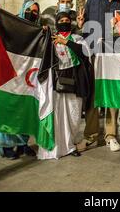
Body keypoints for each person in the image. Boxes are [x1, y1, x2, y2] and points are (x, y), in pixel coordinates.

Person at [76, 0, 120, 153]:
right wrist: (80, 25)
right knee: (92, 95)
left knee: (111, 96)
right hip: (94, 55)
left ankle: (110, 135)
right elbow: (85, 28)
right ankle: (90, 136)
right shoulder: (93, 0)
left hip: (114, 56)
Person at [0, 0, 40, 159]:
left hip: (27, 76)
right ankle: (5, 146)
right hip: (9, 75)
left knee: (24, 109)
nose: (32, 14)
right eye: (29, 10)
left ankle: (22, 143)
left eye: (35, 12)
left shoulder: (37, 31)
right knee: (6, 108)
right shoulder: (13, 26)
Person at [38, 12, 92, 159]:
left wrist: (66, 42)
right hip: (57, 82)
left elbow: (85, 52)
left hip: (75, 81)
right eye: (61, 20)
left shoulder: (77, 38)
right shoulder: (51, 39)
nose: (64, 22)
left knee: (74, 117)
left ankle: (70, 145)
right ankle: (57, 146)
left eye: (67, 20)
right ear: (56, 23)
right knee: (58, 115)